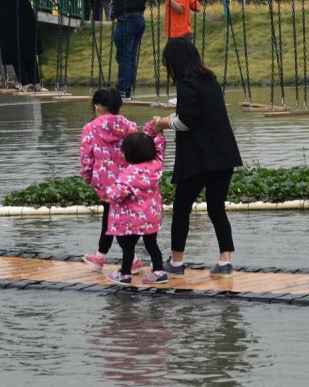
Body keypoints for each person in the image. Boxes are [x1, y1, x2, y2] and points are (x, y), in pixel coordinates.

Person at [149, 39, 243, 276]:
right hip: (224, 156)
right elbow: (199, 114)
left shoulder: (187, 84)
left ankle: (177, 263)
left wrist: (161, 123)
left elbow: (185, 122)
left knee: (181, 208)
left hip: (199, 159)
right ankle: (225, 262)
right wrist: (173, 116)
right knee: (216, 208)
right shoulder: (210, 81)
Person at [75, 0, 148, 100]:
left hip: (127, 20)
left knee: (123, 56)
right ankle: (126, 90)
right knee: (129, 56)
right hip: (139, 20)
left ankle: (122, 90)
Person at [80, 87, 140, 273]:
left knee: (111, 218)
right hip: (128, 181)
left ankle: (128, 259)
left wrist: (87, 178)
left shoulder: (90, 128)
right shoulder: (131, 127)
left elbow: (87, 158)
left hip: (105, 183)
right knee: (120, 217)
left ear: (97, 107)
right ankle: (102, 256)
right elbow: (138, 154)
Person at [103, 126, 168, 285]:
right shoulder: (157, 165)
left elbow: (118, 193)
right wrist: (154, 131)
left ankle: (125, 274)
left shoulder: (130, 173)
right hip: (151, 216)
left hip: (132, 220)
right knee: (152, 244)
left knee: (128, 247)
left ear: (131, 154)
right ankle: (159, 272)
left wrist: (108, 193)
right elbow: (160, 147)